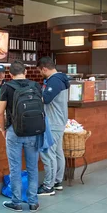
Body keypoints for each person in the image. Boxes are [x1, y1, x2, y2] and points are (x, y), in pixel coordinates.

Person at [0, 61, 44, 212]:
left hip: (14, 131)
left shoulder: (7, 87)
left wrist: (3, 129)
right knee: (32, 167)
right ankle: (33, 202)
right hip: (34, 131)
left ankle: (16, 202)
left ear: (10, 74)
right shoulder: (35, 86)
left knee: (15, 167)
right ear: (25, 72)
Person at [36, 56, 70, 196]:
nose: (40, 73)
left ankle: (48, 186)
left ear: (44, 68)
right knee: (57, 152)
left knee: (48, 153)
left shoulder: (54, 81)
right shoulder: (61, 78)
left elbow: (46, 99)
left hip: (53, 122)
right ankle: (57, 181)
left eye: (40, 71)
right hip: (59, 121)